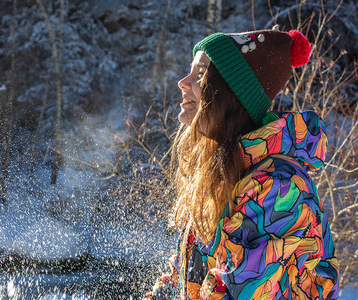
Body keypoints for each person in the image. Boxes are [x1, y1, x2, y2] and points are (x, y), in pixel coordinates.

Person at [145, 27, 339, 300]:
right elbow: (189, 278)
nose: (183, 82)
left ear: (229, 93)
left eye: (200, 74)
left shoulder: (278, 186)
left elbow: (238, 290)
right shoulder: (222, 174)